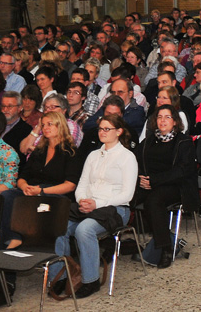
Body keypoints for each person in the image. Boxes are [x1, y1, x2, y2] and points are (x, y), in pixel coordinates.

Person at [51, 113, 137, 299]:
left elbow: (127, 195)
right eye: (100, 129)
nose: (102, 132)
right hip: (89, 206)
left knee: (84, 230)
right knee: (60, 226)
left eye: (107, 129)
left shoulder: (127, 157)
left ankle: (91, 280)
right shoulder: (93, 155)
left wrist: (97, 203)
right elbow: (82, 185)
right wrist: (83, 200)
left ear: (119, 131)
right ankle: (61, 276)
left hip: (116, 209)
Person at [0, 111, 80, 250]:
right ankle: (14, 238)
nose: (45, 128)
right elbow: (22, 177)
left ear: (60, 126)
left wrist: (41, 190)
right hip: (31, 190)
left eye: (50, 124)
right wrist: (25, 187)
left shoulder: (71, 152)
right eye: (43, 125)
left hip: (54, 194)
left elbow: (70, 186)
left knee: (33, 200)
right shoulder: (39, 151)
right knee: (7, 195)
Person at [134, 106, 197, 268]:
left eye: (167, 117)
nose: (162, 120)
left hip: (176, 186)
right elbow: (135, 162)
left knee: (153, 201)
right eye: (160, 117)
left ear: (175, 122)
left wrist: (153, 180)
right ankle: (118, 241)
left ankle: (165, 248)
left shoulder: (184, 141)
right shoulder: (148, 141)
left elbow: (182, 171)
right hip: (149, 183)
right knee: (127, 197)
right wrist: (139, 179)